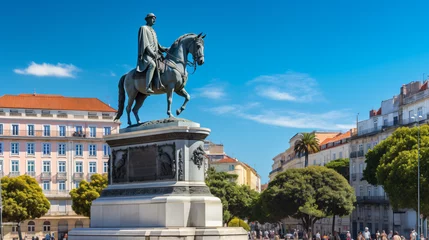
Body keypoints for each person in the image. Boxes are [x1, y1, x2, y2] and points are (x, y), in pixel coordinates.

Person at [136, 13, 169, 94]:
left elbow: (158, 45)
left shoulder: (153, 31)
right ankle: (147, 87)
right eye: (152, 18)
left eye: (155, 18)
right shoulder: (143, 28)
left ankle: (159, 84)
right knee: (153, 65)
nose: (154, 20)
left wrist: (166, 49)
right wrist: (152, 53)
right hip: (146, 55)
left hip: (155, 54)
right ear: (147, 19)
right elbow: (145, 43)